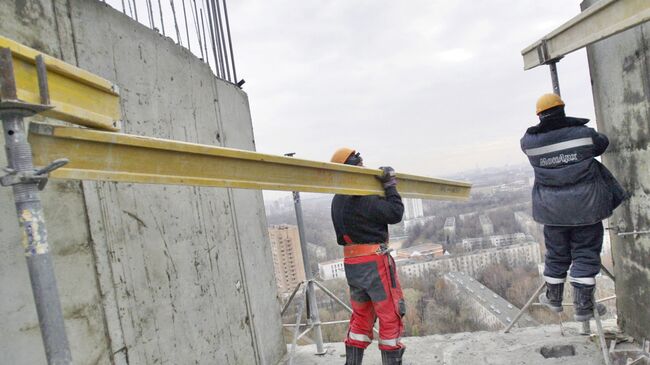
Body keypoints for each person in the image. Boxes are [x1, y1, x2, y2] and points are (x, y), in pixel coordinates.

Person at [521, 93, 626, 321]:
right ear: (562, 109)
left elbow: (532, 142)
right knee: (586, 255)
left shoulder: (529, 142)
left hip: (552, 212)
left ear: (539, 115)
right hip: (586, 209)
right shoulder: (583, 135)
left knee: (557, 255)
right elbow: (602, 143)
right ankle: (583, 308)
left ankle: (554, 299)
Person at [330, 147, 406, 365]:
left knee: (361, 317)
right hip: (374, 264)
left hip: (352, 265)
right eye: (360, 163)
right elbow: (395, 213)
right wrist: (390, 185)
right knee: (390, 315)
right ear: (354, 167)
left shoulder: (338, 200)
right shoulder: (362, 197)